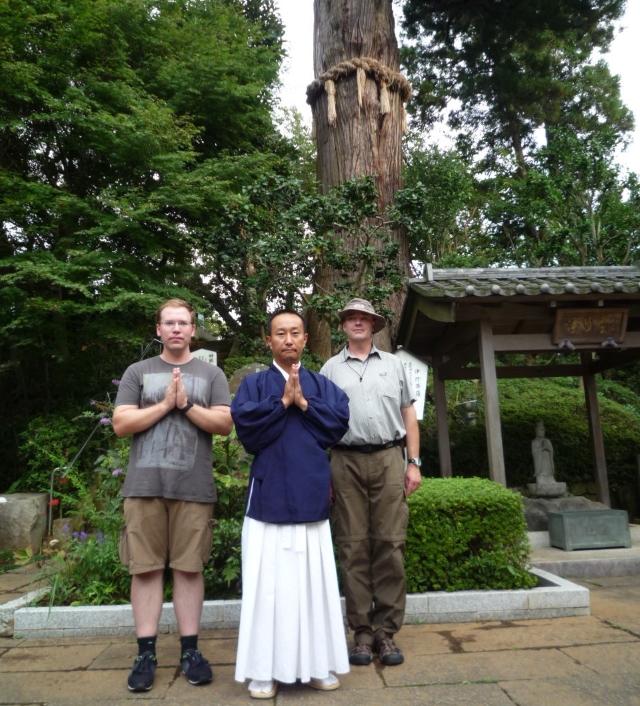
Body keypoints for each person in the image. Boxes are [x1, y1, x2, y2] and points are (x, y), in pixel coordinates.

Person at [113, 298, 233, 692]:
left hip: (193, 488)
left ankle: (190, 651)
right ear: (159, 330)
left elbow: (224, 424)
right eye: (169, 323)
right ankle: (145, 654)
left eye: (183, 323)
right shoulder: (138, 371)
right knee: (145, 569)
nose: (177, 329)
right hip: (144, 486)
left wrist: (186, 404)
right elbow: (121, 423)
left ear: (193, 330)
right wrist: (166, 404)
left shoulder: (211, 373)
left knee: (189, 568)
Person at [231, 310, 350, 699]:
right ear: (268, 341)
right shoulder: (254, 385)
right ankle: (264, 670)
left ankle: (317, 664)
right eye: (280, 333)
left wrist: (304, 404)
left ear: (305, 339)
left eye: (294, 333)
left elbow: (336, 426)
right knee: (267, 588)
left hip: (310, 493)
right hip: (269, 494)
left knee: (313, 587)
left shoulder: (321, 385)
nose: (287, 339)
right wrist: (282, 403)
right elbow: (248, 431)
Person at [320, 298, 422, 667]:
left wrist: (413, 463)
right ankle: (361, 634)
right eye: (351, 317)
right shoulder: (330, 369)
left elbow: (408, 415)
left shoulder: (394, 365)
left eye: (364, 318)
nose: (358, 322)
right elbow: (319, 423)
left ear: (374, 325)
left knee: (390, 544)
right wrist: (324, 472)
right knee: (352, 547)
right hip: (344, 460)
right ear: (343, 325)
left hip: (389, 458)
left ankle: (386, 633)